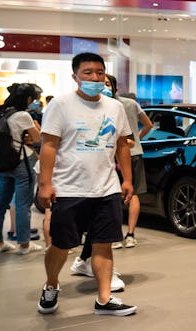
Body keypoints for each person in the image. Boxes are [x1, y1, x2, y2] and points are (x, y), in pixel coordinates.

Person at [36, 52, 137, 316]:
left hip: (107, 188)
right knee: (61, 245)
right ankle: (51, 284)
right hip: (69, 188)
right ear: (75, 77)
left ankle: (104, 299)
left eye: (99, 73)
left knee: (103, 244)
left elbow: (122, 145)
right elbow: (48, 145)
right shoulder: (60, 105)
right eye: (87, 73)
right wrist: (45, 183)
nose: (94, 77)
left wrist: (126, 179)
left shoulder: (114, 107)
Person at [0, 83, 43, 255]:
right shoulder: (22, 115)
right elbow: (37, 139)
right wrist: (35, 127)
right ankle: (25, 244)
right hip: (21, 162)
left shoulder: (0, 112)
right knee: (23, 204)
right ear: (28, 98)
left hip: (3, 163)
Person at [105, 74, 152, 248]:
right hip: (134, 153)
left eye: (106, 83)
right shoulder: (131, 104)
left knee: (115, 196)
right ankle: (130, 234)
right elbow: (148, 124)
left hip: (113, 155)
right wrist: (137, 141)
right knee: (133, 194)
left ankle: (117, 236)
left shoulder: (107, 105)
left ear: (114, 87)